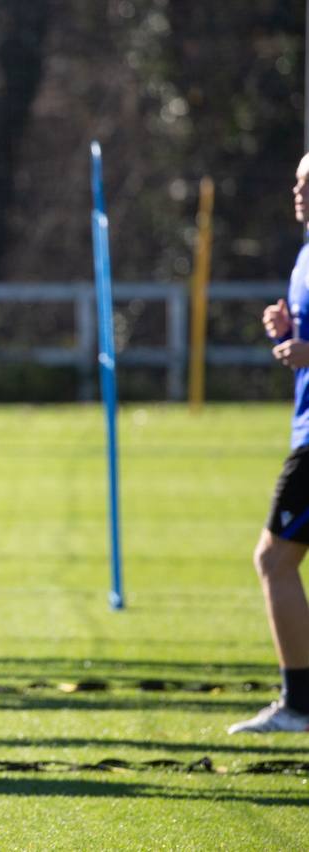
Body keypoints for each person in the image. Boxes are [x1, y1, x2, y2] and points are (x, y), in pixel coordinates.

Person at [233, 151, 309, 734]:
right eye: (298, 181)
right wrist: (287, 332)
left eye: (308, 183)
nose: (298, 191)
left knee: (273, 559)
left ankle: (299, 705)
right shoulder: (305, 255)